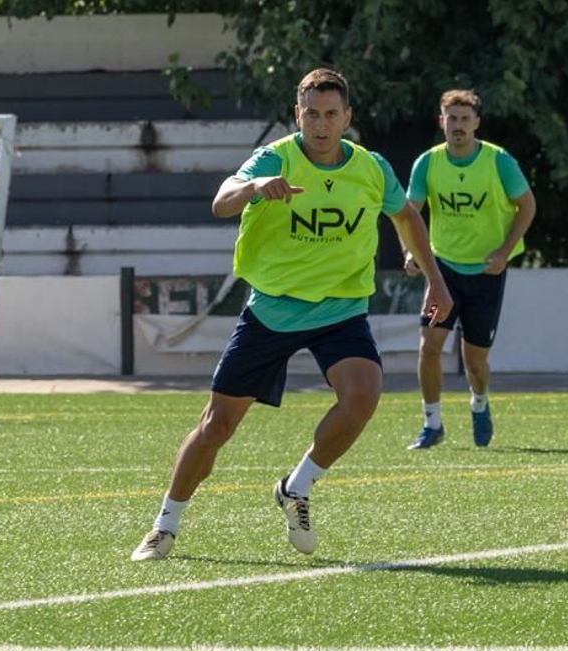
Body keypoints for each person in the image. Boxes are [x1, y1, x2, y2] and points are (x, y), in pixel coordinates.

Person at [131, 68, 452, 561]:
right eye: (311, 114)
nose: (321, 125)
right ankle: (164, 525)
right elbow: (221, 203)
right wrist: (256, 186)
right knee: (217, 426)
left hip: (341, 309)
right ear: (296, 114)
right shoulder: (274, 158)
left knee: (363, 396)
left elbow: (405, 216)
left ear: (347, 117)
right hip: (273, 310)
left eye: (330, 115)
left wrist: (435, 279)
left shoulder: (371, 168)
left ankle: (296, 488)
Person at [402, 89, 537, 449]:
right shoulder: (427, 163)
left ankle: (479, 404)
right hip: (442, 269)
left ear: (476, 123)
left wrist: (504, 252)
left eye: (465, 118)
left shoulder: (499, 161)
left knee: (474, 362)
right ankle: (432, 424)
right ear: (441, 121)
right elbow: (409, 213)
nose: (458, 125)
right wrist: (411, 253)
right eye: (452, 118)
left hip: (486, 272)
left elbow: (527, 206)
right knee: (429, 345)